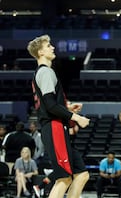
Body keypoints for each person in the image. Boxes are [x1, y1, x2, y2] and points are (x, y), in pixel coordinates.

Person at [27, 34, 90, 198]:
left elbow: (49, 104)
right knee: (63, 177)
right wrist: (77, 118)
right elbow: (50, 105)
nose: (53, 47)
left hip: (56, 127)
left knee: (82, 174)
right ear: (40, 52)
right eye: (49, 46)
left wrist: (68, 107)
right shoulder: (46, 72)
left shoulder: (43, 73)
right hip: (54, 127)